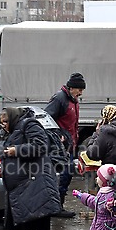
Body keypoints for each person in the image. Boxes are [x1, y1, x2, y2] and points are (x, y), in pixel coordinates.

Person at [0, 107, 61, 230]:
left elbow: (41, 146)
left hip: (33, 181)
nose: (4, 125)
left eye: (6, 121)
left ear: (13, 118)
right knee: (19, 218)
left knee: (38, 217)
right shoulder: (12, 131)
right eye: (2, 123)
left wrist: (16, 150)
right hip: (18, 184)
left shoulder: (29, 124)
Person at [45, 72, 86, 218]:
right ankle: (55, 207)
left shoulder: (73, 100)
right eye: (79, 90)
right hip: (59, 146)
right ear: (71, 87)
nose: (81, 93)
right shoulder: (59, 98)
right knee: (63, 175)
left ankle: (57, 206)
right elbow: (47, 118)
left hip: (70, 145)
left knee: (66, 175)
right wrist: (58, 135)